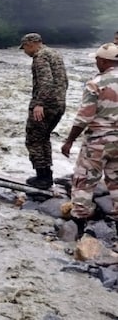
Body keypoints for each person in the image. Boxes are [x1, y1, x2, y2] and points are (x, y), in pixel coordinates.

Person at [61, 43, 118, 229]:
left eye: (96, 60)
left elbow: (84, 116)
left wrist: (69, 141)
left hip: (98, 141)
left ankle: (79, 218)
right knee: (116, 178)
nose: (95, 63)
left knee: (85, 178)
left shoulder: (96, 83)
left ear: (103, 60)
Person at [21, 32, 67, 189]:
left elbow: (46, 81)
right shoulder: (54, 54)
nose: (25, 52)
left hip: (46, 105)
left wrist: (40, 103)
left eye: (25, 48)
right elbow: (63, 81)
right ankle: (47, 175)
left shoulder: (40, 57)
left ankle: (43, 177)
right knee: (44, 138)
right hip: (59, 104)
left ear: (31, 44)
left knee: (33, 139)